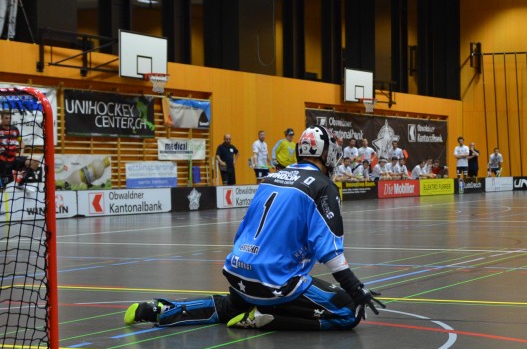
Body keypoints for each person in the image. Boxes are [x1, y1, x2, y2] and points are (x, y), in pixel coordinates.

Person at [124, 125, 386, 331]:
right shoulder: (322, 186)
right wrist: (356, 289)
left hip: (239, 274)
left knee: (229, 306)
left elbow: (243, 229)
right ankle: (267, 318)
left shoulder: (271, 177)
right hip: (273, 282)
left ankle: (157, 310)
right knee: (348, 311)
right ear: (326, 154)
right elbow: (330, 251)